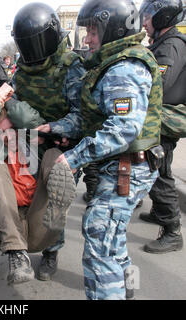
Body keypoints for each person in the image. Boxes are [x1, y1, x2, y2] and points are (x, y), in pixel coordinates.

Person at [37, 0, 163, 300]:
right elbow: (87, 117)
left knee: (99, 241)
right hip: (123, 164)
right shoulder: (111, 63)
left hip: (127, 166)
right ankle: (127, 285)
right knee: (113, 237)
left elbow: (122, 129)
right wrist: (51, 128)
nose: (88, 38)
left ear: (113, 29)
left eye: (93, 31)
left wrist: (71, 158)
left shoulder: (123, 68)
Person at [0, 83, 76, 284]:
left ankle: (52, 247)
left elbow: (29, 120)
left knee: (54, 156)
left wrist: (9, 100)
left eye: (10, 123)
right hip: (4, 225)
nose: (7, 130)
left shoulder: (31, 140)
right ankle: (16, 254)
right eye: (0, 124)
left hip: (39, 220)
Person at [11, 2, 84, 281]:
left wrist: (54, 127)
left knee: (55, 202)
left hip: (63, 147)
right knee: (30, 199)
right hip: (31, 145)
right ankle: (27, 244)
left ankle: (51, 251)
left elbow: (84, 115)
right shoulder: (21, 69)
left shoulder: (71, 67)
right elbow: (16, 101)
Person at [138, 0, 185, 254]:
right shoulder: (163, 43)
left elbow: (158, 86)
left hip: (164, 121)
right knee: (158, 166)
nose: (144, 22)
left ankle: (172, 231)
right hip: (160, 120)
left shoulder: (171, 45)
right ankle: (159, 212)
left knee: (159, 171)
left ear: (163, 17)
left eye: (148, 16)